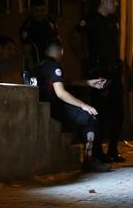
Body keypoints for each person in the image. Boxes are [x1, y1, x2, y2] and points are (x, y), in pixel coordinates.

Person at [35, 41, 110, 173]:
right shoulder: (54, 66)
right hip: (54, 107)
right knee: (90, 119)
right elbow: (61, 93)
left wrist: (88, 83)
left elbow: (64, 82)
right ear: (61, 52)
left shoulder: (40, 65)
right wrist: (84, 106)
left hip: (43, 106)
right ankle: (89, 160)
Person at [78, 0, 125, 163]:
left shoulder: (112, 22)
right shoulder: (90, 20)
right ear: (103, 0)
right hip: (99, 73)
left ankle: (113, 149)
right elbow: (75, 38)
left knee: (118, 113)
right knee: (101, 113)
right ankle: (97, 151)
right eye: (113, 0)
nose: (116, 4)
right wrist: (86, 63)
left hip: (113, 71)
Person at [19, 0, 60, 85]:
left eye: (42, 10)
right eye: (37, 10)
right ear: (31, 10)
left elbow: (58, 42)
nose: (40, 13)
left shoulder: (50, 22)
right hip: (35, 68)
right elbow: (27, 52)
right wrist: (34, 71)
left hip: (51, 66)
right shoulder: (28, 26)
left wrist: (56, 64)